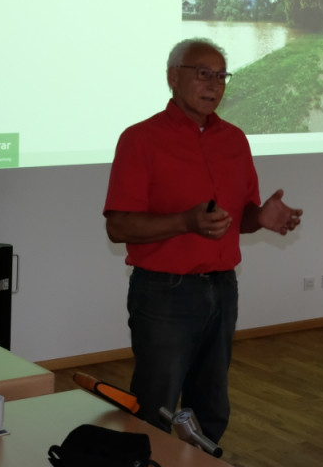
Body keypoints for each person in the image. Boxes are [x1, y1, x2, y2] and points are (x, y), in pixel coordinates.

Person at [103, 38, 303, 444]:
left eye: (220, 76)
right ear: (173, 76)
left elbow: (236, 219)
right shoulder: (140, 139)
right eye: (202, 73)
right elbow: (118, 227)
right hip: (164, 292)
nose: (213, 84)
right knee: (155, 404)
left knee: (210, 405)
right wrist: (184, 222)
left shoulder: (235, 141)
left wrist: (259, 217)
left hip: (223, 286)